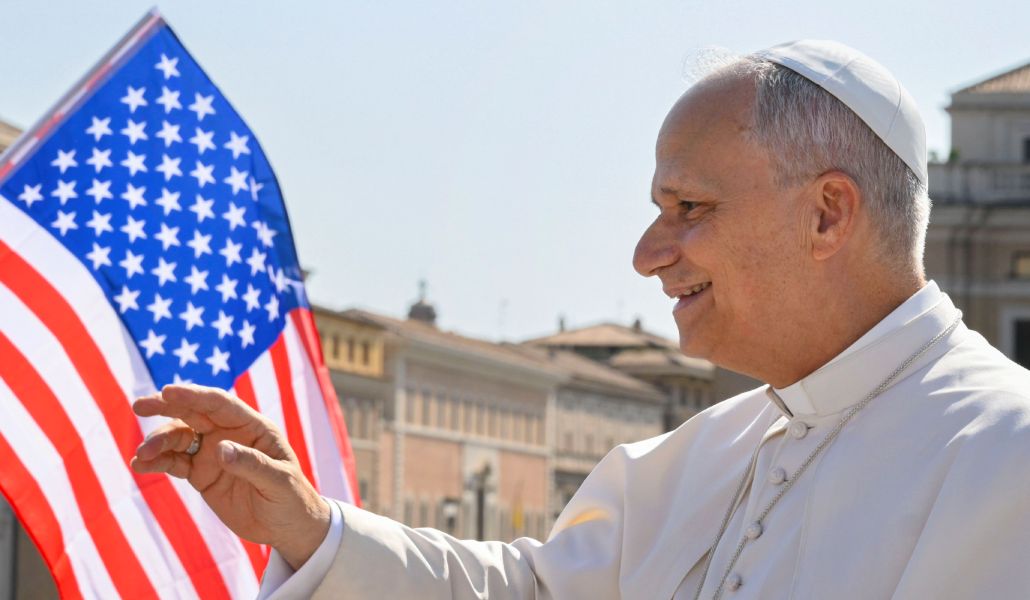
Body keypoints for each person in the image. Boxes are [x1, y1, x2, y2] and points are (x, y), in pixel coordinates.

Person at [131, 40, 1030, 599]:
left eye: (689, 208)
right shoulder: (697, 456)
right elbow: (531, 594)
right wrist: (313, 526)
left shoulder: (1006, 456)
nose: (648, 253)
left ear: (828, 215)